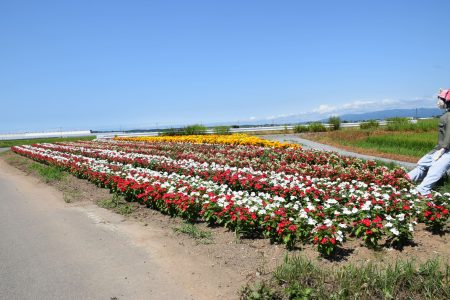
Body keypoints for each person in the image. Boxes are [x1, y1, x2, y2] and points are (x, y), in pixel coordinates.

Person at [407, 89, 450, 195]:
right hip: (440, 149)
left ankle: (422, 191)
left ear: (446, 101)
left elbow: (449, 135)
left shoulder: (449, 116)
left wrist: (442, 151)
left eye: (439, 99)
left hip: (447, 150)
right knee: (423, 164)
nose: (437, 102)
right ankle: (403, 180)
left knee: (435, 169)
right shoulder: (446, 114)